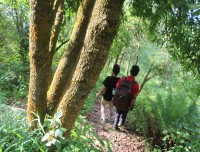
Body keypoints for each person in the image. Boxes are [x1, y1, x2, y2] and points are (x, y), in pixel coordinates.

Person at [113, 65, 140, 130]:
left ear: (130, 71)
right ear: (137, 74)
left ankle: (115, 126)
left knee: (118, 112)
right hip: (127, 103)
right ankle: (121, 124)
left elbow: (116, 87)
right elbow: (134, 97)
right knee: (124, 114)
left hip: (118, 99)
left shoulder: (122, 79)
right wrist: (131, 104)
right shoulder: (136, 85)